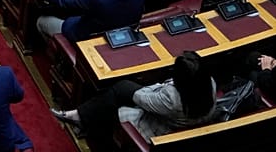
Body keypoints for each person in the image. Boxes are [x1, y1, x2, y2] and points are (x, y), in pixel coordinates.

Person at [54, 51, 216, 146]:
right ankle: (82, 115)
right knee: (120, 89)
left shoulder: (171, 98)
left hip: (161, 126)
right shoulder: (209, 83)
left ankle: (83, 120)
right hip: (186, 119)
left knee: (119, 91)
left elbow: (142, 98)